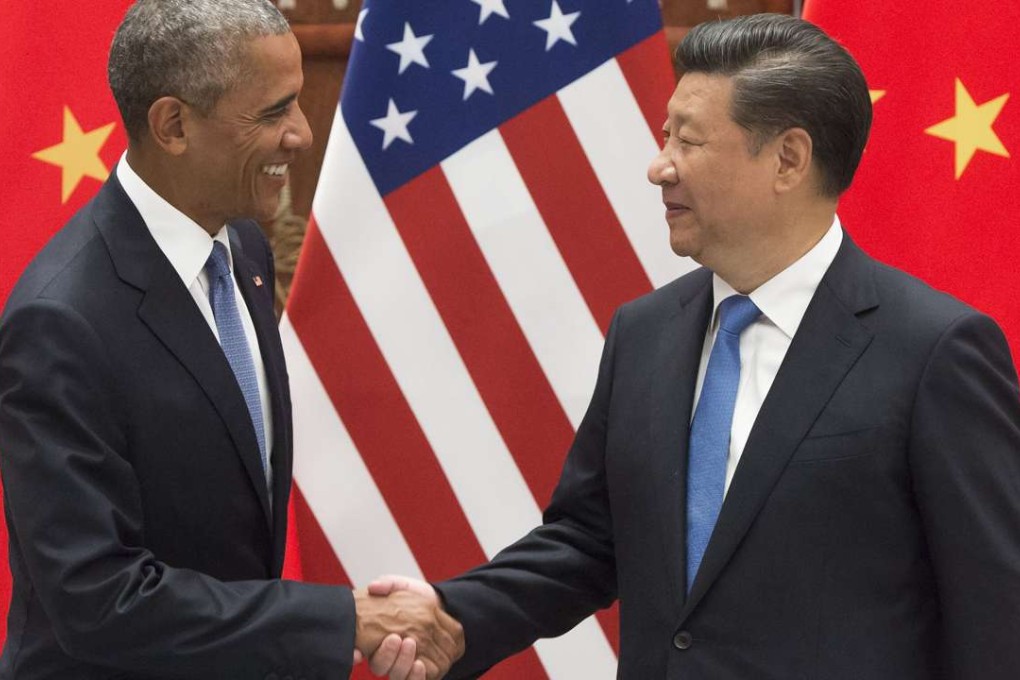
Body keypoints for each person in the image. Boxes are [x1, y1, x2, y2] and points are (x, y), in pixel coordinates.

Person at [367, 13, 1020, 680]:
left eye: (690, 141)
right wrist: (452, 615)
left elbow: (996, 613)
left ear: (788, 159)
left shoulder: (934, 350)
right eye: (663, 135)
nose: (659, 167)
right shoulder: (644, 333)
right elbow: (591, 540)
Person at [0, 1, 461, 678]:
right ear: (174, 124)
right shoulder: (60, 323)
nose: (302, 134)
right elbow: (96, 600)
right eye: (273, 112)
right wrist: (345, 619)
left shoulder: (240, 245)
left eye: (298, 103)